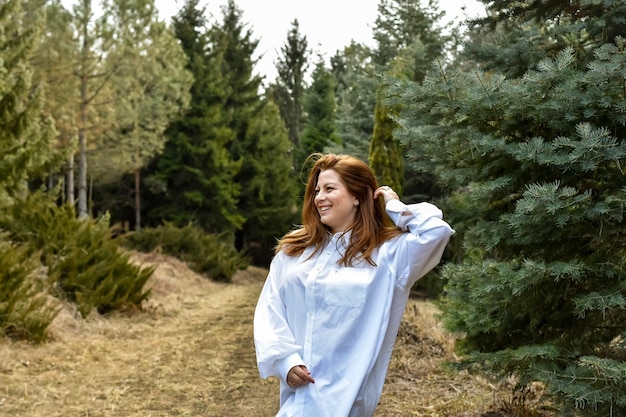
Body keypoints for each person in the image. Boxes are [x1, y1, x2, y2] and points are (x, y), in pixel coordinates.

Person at [253, 153, 454, 417]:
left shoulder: (389, 256)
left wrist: (395, 207)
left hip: (347, 402)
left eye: (329, 189)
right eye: (316, 191)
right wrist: (285, 362)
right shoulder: (293, 252)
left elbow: (436, 232)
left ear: (357, 196)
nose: (319, 198)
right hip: (298, 395)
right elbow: (270, 309)